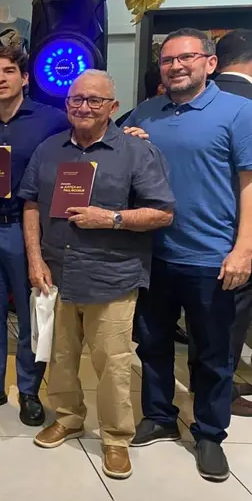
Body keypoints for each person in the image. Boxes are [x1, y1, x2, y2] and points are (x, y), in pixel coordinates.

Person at [21, 69, 174, 480]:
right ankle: (69, 417)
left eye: (94, 100)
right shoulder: (49, 150)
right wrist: (35, 260)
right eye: (76, 100)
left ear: (113, 107)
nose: (84, 107)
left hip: (112, 277)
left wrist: (111, 218)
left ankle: (115, 438)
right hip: (57, 273)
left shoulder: (138, 152)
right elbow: (31, 204)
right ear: (66, 104)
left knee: (113, 363)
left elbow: (162, 212)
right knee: (61, 355)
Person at [125, 28, 252, 482]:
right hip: (153, 255)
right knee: (152, 342)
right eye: (167, 60)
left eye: (186, 58)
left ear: (210, 63)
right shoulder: (145, 112)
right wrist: (130, 141)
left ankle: (209, 433)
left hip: (213, 257)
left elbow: (249, 184)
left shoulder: (239, 112)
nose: (176, 66)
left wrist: (244, 249)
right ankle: (158, 416)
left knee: (214, 354)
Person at [0, 46, 69, 425]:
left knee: (30, 316)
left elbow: (89, 138)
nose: (1, 78)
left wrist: (133, 132)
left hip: (29, 233)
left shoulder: (53, 120)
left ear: (25, 78)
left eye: (9, 71)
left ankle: (28, 390)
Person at [213, 29, 252, 416]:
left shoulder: (173, 103)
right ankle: (219, 391)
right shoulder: (246, 104)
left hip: (196, 234)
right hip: (240, 235)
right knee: (231, 317)